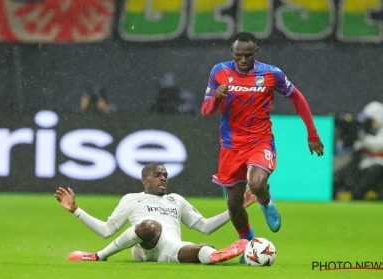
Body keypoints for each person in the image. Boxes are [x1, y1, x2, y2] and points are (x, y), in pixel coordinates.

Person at [201, 32, 324, 246]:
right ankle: (247, 242)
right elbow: (206, 112)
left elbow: (298, 98)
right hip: (230, 146)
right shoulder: (219, 71)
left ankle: (265, 200)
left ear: (256, 52)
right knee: (234, 203)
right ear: (232, 52)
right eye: (239, 55)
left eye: (248, 55)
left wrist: (312, 134)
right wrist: (215, 99)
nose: (243, 60)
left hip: (260, 140)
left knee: (256, 183)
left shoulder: (271, 73)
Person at [54, 163, 255, 264]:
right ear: (144, 180)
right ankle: (98, 256)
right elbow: (107, 230)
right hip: (145, 247)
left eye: (165, 175)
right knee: (151, 225)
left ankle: (213, 256)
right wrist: (76, 210)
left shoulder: (176, 199)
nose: (163, 179)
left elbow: (204, 226)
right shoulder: (131, 199)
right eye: (157, 175)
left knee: (203, 248)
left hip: (169, 247)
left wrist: (235, 208)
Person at [334, 101, 383, 200]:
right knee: (348, 168)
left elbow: (378, 145)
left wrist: (361, 137)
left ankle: (358, 195)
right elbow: (354, 147)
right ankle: (343, 190)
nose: (371, 123)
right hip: (366, 162)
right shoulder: (367, 129)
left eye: (372, 120)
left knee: (374, 170)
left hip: (378, 164)